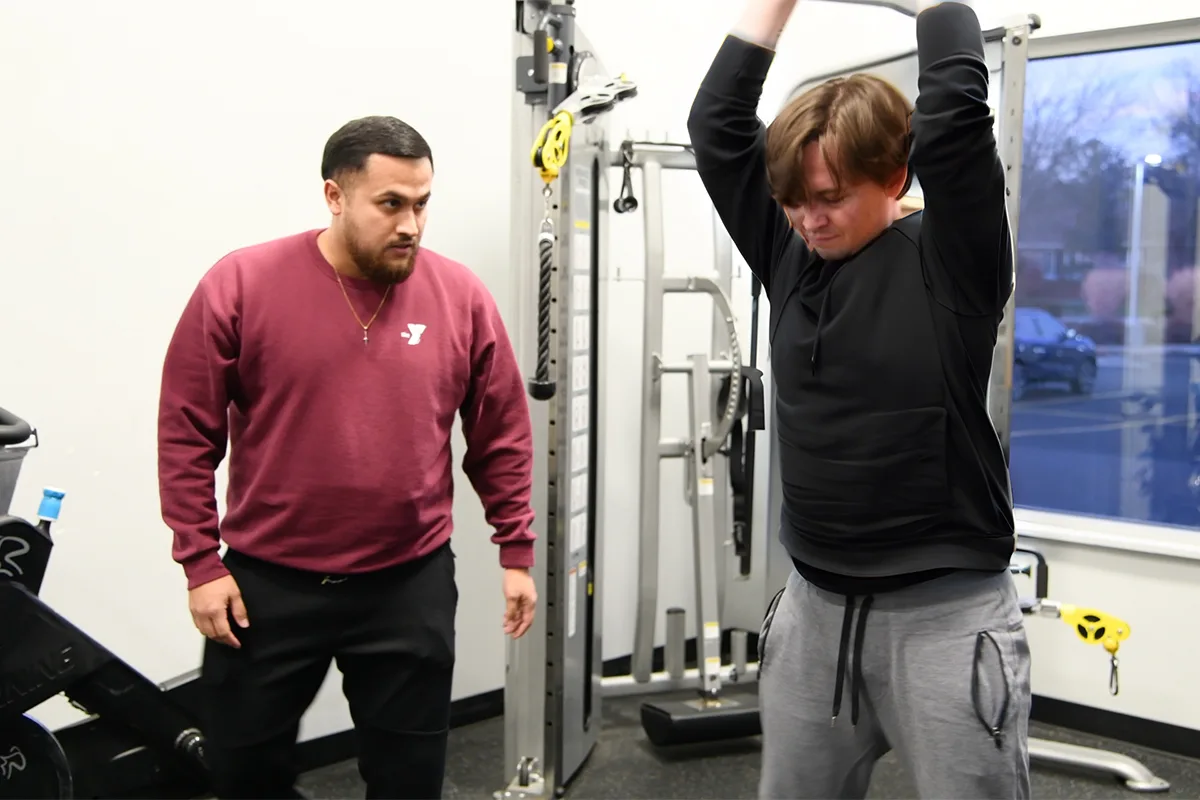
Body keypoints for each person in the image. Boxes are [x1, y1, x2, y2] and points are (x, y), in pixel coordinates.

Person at [688, 1, 1029, 798]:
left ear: (895, 178)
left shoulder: (955, 264)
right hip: (813, 610)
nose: (809, 219)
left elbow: (954, 129)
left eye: (831, 197)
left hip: (944, 618)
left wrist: (939, 9)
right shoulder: (789, 253)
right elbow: (717, 125)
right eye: (794, 200)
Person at [157, 115, 539, 800]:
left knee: (408, 780)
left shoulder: (461, 298)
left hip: (407, 583)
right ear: (335, 196)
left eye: (422, 203)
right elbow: (187, 432)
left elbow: (500, 431)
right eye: (390, 204)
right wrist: (200, 562)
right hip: (264, 586)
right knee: (243, 771)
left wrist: (515, 549)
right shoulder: (242, 284)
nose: (411, 225)